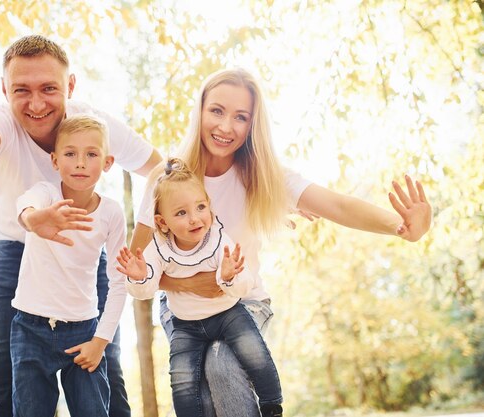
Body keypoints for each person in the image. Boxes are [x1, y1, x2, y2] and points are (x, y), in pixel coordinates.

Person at [130, 68, 432, 417]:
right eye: (216, 111)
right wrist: (192, 283)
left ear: (252, 125)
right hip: (184, 311)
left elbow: (336, 204)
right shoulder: (165, 178)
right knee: (201, 396)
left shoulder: (266, 177)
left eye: (240, 117)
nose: (226, 127)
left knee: (220, 364)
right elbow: (138, 267)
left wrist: (402, 227)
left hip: (243, 302)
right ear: (199, 111)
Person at [0, 35, 162, 417]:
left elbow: (161, 170)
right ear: (5, 89)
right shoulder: (1, 120)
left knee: (105, 377)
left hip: (82, 263)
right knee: (5, 381)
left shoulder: (94, 125)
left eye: (49, 88)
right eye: (21, 90)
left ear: (70, 87)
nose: (36, 103)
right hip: (14, 254)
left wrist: (138, 242)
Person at [117, 157, 284, 417]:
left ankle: (272, 404)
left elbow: (243, 286)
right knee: (182, 379)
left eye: (200, 207)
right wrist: (139, 277)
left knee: (252, 349)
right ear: (162, 223)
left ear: (210, 208)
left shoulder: (217, 239)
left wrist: (229, 277)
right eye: (181, 213)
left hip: (227, 314)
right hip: (186, 325)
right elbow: (145, 290)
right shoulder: (159, 248)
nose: (195, 219)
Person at [12, 115, 125, 417]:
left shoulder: (111, 213)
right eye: (70, 153)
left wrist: (100, 342)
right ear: (54, 160)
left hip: (83, 333)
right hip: (30, 328)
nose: (80, 163)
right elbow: (26, 204)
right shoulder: (46, 195)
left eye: (91, 154)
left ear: (107, 162)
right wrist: (34, 220)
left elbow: (119, 281)